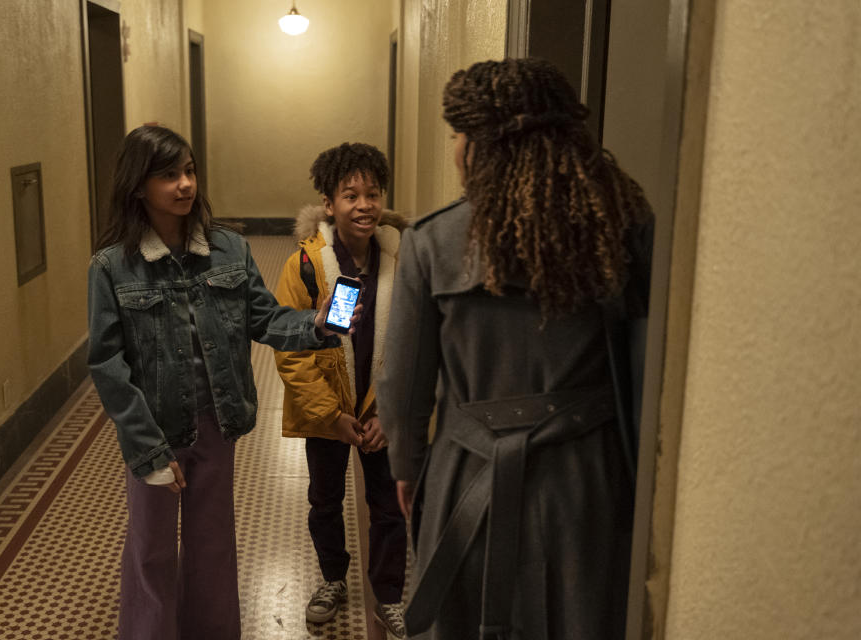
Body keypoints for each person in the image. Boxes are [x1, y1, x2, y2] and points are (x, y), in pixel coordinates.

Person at [377, 58, 654, 640]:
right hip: (585, 479)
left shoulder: (432, 240)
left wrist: (406, 468)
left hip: (465, 471)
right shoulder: (622, 225)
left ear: (480, 144)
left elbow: (403, 384)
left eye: (457, 135)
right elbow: (644, 372)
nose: (454, 150)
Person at [87, 125, 355, 640]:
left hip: (216, 422)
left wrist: (316, 326)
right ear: (137, 186)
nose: (185, 184)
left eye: (188, 171)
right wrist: (146, 448)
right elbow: (107, 365)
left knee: (212, 545)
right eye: (168, 175)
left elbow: (265, 319)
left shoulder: (229, 249)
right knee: (152, 550)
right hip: (154, 430)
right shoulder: (112, 267)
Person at [273, 143, 409, 638]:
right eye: (350, 195)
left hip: (381, 412)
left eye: (373, 193)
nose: (364, 205)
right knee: (325, 501)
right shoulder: (307, 266)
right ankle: (333, 579)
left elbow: (417, 344)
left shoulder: (402, 259)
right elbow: (291, 351)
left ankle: (389, 594)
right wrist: (331, 415)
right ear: (329, 204)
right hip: (328, 413)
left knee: (389, 506)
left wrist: (390, 415)